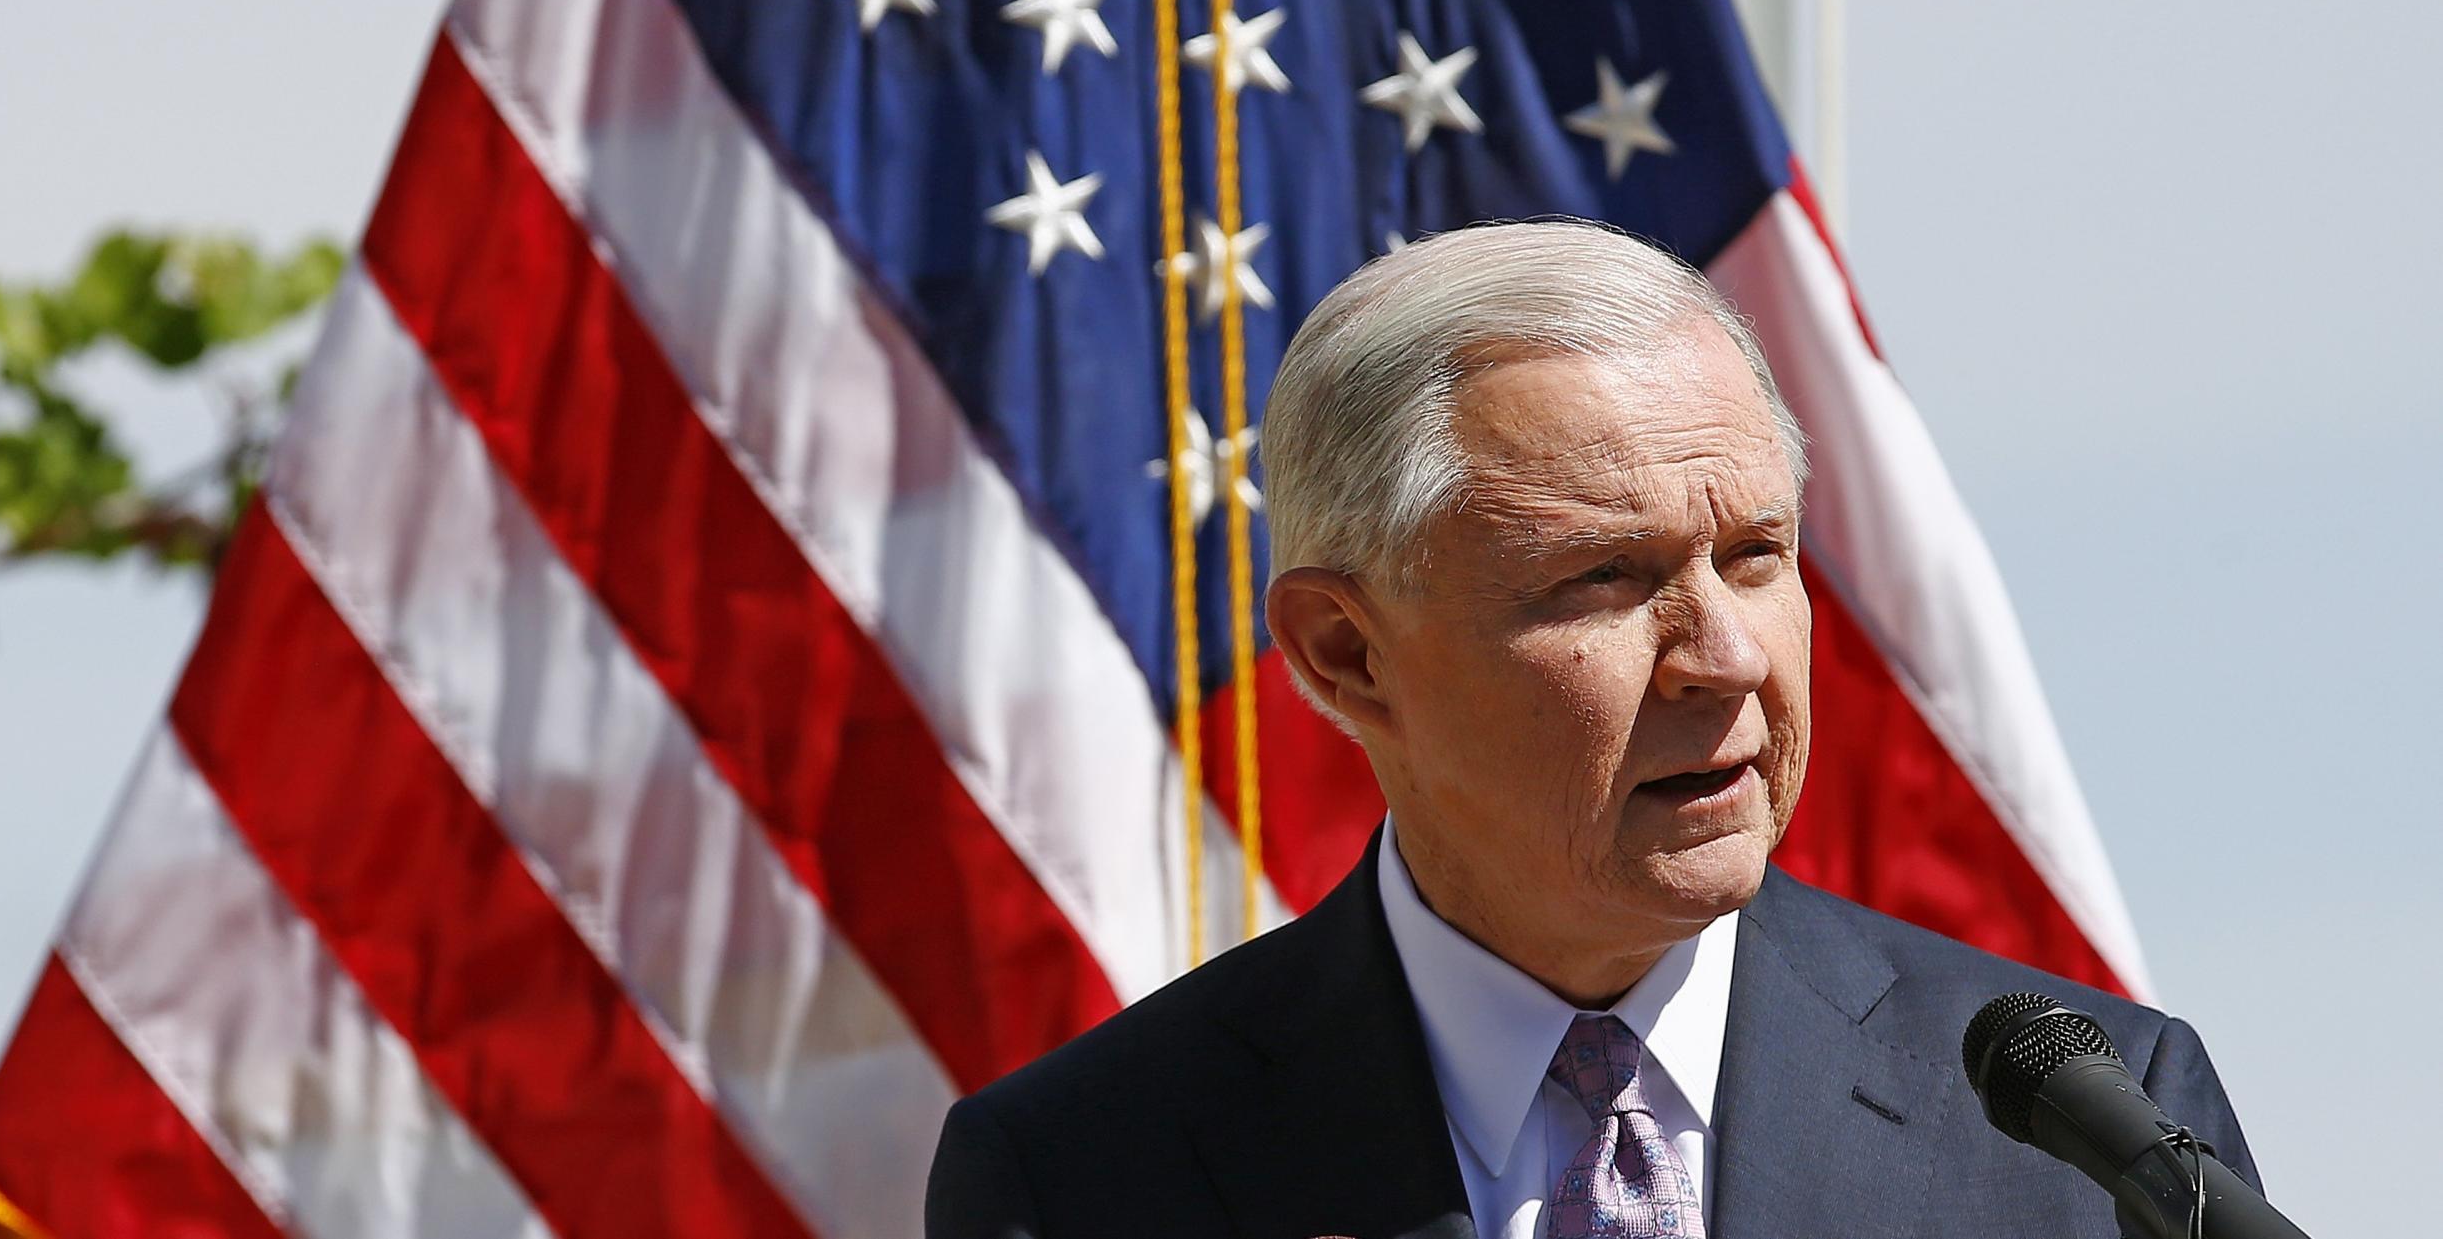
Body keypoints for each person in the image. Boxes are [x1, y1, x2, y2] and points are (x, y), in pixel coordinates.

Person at [926, 221, 2255, 1239]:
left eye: (1755, 556)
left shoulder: (2087, 1134)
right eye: (1606, 580)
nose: (1728, 657)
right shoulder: (1081, 1170)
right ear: (1348, 652)